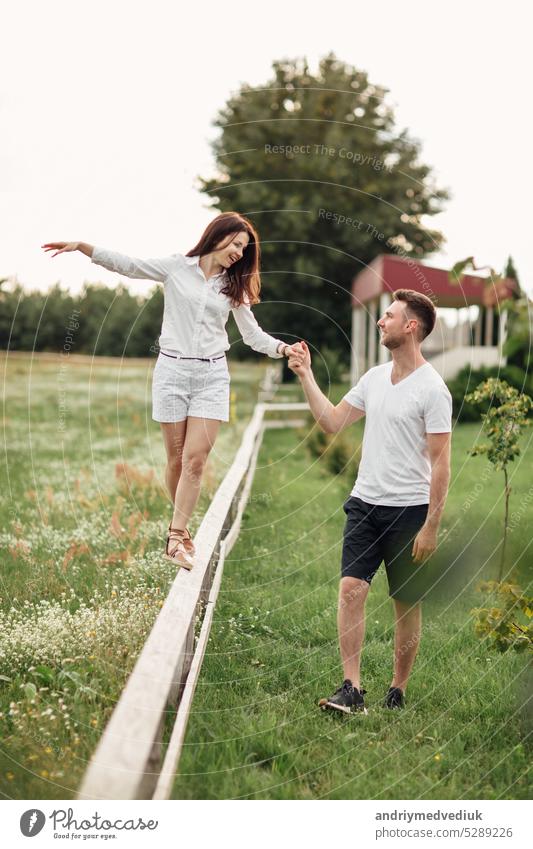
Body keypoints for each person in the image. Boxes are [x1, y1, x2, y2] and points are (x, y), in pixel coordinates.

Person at [42, 212, 299, 570]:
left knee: (196, 459)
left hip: (212, 375)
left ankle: (175, 537)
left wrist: (284, 348)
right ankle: (182, 528)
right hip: (172, 372)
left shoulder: (232, 287)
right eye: (237, 244)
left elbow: (252, 335)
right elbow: (129, 265)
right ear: (218, 235)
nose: (240, 253)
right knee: (177, 461)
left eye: (244, 249)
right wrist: (84, 247)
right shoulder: (177, 268)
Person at [288, 289, 452, 713]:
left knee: (405, 603)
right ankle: (352, 688)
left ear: (410, 326)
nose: (381, 322)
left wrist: (431, 525)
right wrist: (306, 373)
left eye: (389, 316)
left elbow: (441, 465)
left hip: (410, 511)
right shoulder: (374, 378)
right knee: (350, 591)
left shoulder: (433, 390)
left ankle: (397, 688)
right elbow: (331, 422)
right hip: (365, 503)